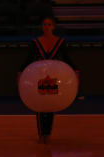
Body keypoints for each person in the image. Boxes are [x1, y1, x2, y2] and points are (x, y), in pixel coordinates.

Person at [19, 16, 78, 144]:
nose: (46, 27)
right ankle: (41, 134)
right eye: (45, 24)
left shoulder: (60, 42)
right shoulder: (35, 42)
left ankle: (48, 134)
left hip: (55, 78)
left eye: (49, 24)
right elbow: (28, 59)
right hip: (38, 77)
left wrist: (76, 71)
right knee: (39, 105)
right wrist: (20, 73)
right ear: (42, 26)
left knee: (51, 104)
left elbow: (67, 59)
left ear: (53, 27)